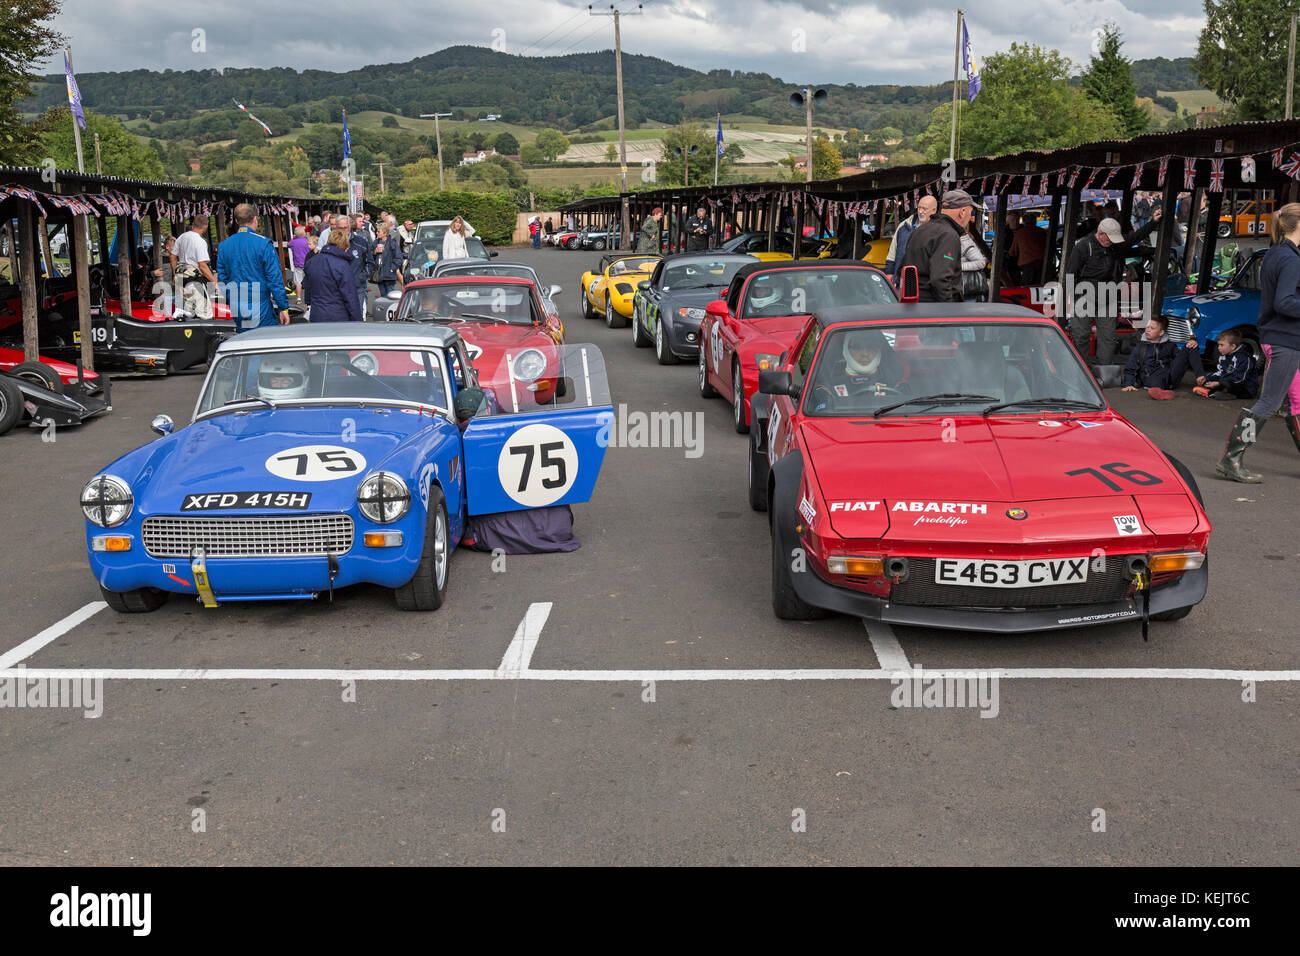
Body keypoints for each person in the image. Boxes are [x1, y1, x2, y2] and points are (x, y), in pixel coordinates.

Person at [1216, 202, 1300, 482]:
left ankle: (1233, 458)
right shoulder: (1291, 260)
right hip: (1285, 339)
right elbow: (1285, 302)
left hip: (1277, 336)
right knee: (1268, 403)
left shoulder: (1276, 254)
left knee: (1298, 402)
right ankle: (1232, 459)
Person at [1064, 210, 1161, 364]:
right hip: (1084, 296)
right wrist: (1075, 300)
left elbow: (1133, 238)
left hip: (1107, 296)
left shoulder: (1114, 245)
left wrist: (1153, 222)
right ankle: (1081, 371)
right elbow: (1070, 275)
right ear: (1101, 233)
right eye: (1109, 238)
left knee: (1108, 337)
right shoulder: (1082, 247)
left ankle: (1105, 371)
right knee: (1081, 336)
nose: (1112, 242)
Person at [216, 203, 291, 331]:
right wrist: (283, 307)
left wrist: (231, 299)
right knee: (263, 341)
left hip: (237, 302)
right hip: (260, 303)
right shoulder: (263, 243)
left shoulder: (224, 245)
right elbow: (274, 278)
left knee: (244, 341)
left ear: (236, 221)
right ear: (255, 219)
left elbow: (222, 278)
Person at [900, 189, 971, 302]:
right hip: (935, 308)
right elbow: (940, 278)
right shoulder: (948, 235)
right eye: (970, 212)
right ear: (962, 212)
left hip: (914, 303)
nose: (970, 218)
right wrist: (949, 307)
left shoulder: (920, 230)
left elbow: (902, 267)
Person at [808, 329, 907, 411]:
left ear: (879, 350)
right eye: (857, 347)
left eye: (871, 347)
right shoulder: (826, 389)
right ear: (846, 349)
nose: (865, 353)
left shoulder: (897, 385)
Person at [1121, 315, 1199, 398]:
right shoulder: (1140, 347)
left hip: (1169, 379)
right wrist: (1128, 384)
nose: (1148, 330)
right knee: (1156, 375)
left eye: (1152, 328)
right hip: (1151, 379)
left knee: (1190, 347)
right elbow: (1130, 368)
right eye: (1147, 327)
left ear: (1161, 332)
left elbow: (1181, 361)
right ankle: (1161, 392)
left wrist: (1192, 342)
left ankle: (1202, 379)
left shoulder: (1169, 345)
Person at [302, 229, 362, 323]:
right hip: (338, 315)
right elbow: (350, 296)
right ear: (345, 246)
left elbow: (308, 288)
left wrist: (309, 304)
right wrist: (358, 320)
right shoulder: (342, 265)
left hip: (317, 313)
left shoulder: (311, 262)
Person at [1193, 329, 1259, 400]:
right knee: (1208, 381)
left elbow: (1240, 379)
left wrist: (1219, 383)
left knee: (1226, 385)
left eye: (1222, 345)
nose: (1219, 348)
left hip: (1246, 389)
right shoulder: (1223, 356)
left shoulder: (1244, 358)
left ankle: (1216, 393)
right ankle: (1217, 392)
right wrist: (1206, 378)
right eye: (1218, 345)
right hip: (1227, 381)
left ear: (1233, 346)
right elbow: (1220, 372)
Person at [173, 215, 217, 319]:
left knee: (190, 312)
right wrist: (214, 281)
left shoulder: (181, 237)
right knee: (205, 314)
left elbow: (172, 255)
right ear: (205, 226)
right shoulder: (200, 241)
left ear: (193, 225)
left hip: (181, 279)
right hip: (194, 280)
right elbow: (202, 265)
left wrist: (174, 274)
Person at [885, 195, 935, 280]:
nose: (920, 211)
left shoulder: (937, 231)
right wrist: (889, 272)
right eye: (919, 208)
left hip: (923, 282)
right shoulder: (903, 226)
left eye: (924, 209)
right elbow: (892, 252)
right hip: (901, 279)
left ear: (934, 210)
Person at [347, 218, 376, 318]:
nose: (342, 230)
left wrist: (362, 276)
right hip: (338, 287)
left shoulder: (360, 242)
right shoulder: (333, 243)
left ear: (350, 227)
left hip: (357, 285)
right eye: (340, 228)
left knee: (357, 314)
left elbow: (370, 262)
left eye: (345, 227)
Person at [1007, 210, 1046, 285]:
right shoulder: (1043, 232)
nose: (1016, 222)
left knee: (1027, 289)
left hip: (1028, 267)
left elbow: (1012, 253)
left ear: (1024, 222)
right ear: (1035, 222)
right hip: (1043, 265)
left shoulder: (1019, 233)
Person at [959, 221, 989, 301]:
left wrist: (959, 266)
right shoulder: (961, 240)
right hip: (963, 288)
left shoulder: (964, 241)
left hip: (967, 288)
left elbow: (981, 263)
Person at [375, 223, 403, 298]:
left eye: (378, 231)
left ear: (385, 233)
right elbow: (369, 255)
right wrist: (375, 252)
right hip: (379, 275)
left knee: (391, 296)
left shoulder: (392, 243)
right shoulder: (376, 242)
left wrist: (391, 268)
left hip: (389, 275)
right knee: (383, 297)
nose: (376, 233)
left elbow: (399, 258)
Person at [288, 226, 310, 301]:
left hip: (298, 265)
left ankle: (298, 298)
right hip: (307, 264)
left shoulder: (293, 242)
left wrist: (293, 238)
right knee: (310, 281)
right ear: (303, 233)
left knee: (298, 282)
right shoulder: (307, 241)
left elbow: (288, 244)